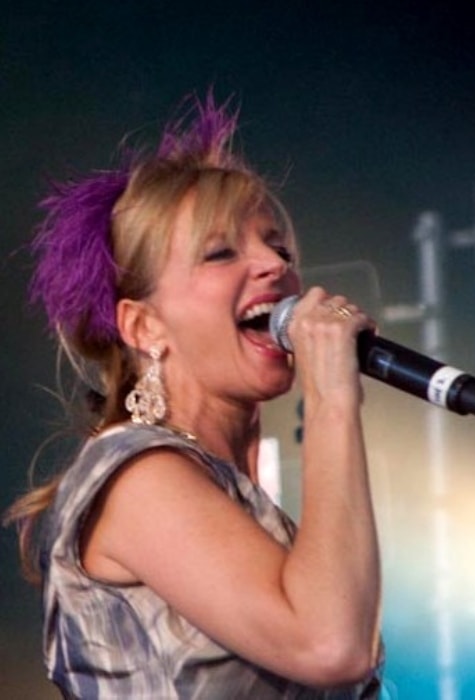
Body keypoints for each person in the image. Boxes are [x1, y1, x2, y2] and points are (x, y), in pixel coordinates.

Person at [5, 92, 385, 699]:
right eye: (221, 252)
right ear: (144, 327)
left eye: (280, 248)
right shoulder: (136, 477)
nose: (275, 267)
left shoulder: (238, 503)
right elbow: (330, 644)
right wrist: (334, 397)